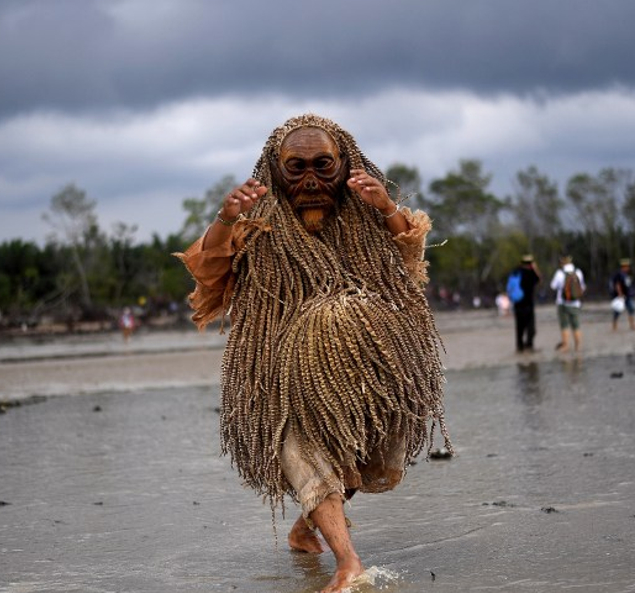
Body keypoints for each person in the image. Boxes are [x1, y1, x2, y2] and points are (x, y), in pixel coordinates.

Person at [175, 114, 451, 593]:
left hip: (366, 368)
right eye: (295, 167)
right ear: (274, 170)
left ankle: (308, 530)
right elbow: (208, 269)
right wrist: (224, 218)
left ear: (346, 164)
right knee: (303, 453)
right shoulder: (255, 223)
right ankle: (349, 564)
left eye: (323, 166)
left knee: (360, 455)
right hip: (284, 372)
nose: (309, 181)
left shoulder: (365, 209)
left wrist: (384, 205)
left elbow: (410, 251)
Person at [549, 255, 586, 352]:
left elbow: (553, 286)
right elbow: (582, 287)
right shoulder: (578, 272)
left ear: (562, 262)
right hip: (575, 303)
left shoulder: (559, 273)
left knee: (564, 325)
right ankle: (578, 347)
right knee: (576, 326)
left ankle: (566, 346)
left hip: (562, 303)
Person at [512, 254, 541, 352]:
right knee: (531, 328)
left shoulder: (515, 272)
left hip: (517, 304)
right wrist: (535, 268)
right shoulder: (531, 273)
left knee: (519, 328)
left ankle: (519, 347)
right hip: (528, 304)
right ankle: (529, 346)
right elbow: (539, 279)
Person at [611, 258, 635, 331]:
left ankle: (632, 325)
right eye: (626, 266)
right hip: (621, 296)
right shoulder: (619, 274)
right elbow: (617, 284)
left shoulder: (627, 274)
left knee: (631, 309)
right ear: (623, 267)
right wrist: (620, 294)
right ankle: (614, 326)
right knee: (617, 311)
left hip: (627, 295)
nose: (628, 268)